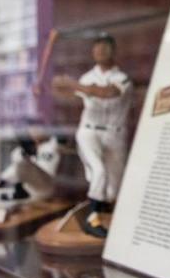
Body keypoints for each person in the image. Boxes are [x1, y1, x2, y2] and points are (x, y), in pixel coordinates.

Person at [49, 33, 132, 238]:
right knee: (99, 171)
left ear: (114, 50)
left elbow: (107, 92)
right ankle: (92, 217)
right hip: (89, 131)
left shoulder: (122, 77)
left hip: (114, 134)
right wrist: (50, 88)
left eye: (105, 47)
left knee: (113, 189)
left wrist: (72, 83)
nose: (100, 51)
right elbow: (67, 93)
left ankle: (103, 216)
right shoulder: (87, 77)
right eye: (97, 47)